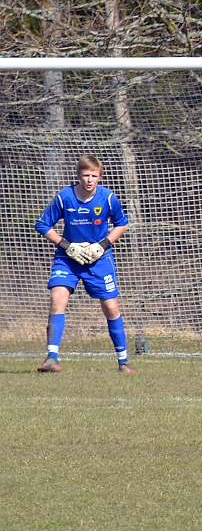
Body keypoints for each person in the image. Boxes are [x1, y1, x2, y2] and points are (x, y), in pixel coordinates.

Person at [35, 155, 134, 373]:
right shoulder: (65, 197)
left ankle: (123, 361)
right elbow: (42, 225)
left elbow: (122, 224)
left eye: (94, 176)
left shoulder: (108, 198)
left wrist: (103, 245)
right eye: (86, 175)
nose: (89, 180)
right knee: (57, 299)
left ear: (100, 177)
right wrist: (67, 245)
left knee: (111, 307)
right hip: (68, 259)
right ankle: (51, 358)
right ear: (78, 175)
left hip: (99, 260)